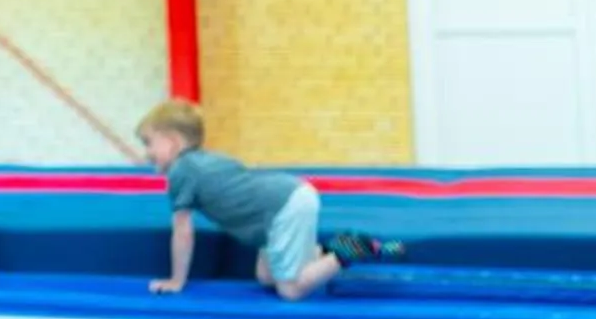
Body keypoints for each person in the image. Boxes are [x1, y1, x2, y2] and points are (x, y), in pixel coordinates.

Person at [136, 101, 401, 299]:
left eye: (149, 143)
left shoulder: (182, 171)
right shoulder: (204, 160)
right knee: (266, 277)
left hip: (282, 208)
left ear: (172, 142)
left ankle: (350, 249)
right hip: (282, 204)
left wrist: (176, 281)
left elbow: (183, 231)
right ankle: (324, 251)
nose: (147, 153)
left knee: (290, 290)